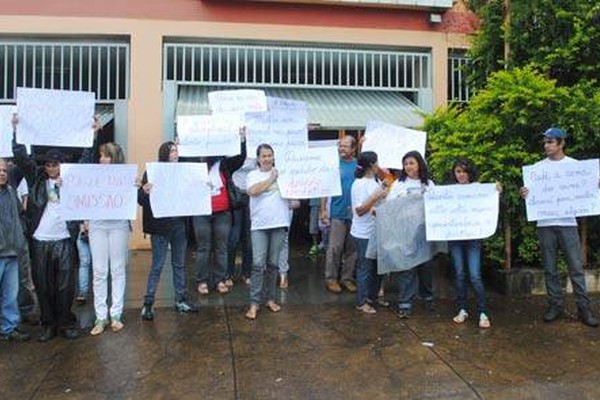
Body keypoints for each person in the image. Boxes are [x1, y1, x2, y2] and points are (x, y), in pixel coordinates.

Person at [12, 117, 98, 341]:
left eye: (56, 164)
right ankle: (48, 324)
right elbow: (21, 158)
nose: (51, 168)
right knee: (43, 285)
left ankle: (66, 322)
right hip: (40, 239)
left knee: (64, 286)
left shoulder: (72, 178)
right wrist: (16, 130)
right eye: (49, 164)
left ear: (62, 164)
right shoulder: (36, 178)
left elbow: (87, 159)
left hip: (63, 239)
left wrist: (93, 133)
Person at [520, 127, 598, 327]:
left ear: (561, 143)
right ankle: (555, 305)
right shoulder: (537, 169)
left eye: (551, 142)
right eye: (545, 142)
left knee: (576, 268)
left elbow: (588, 189)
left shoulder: (575, 166)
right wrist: (526, 193)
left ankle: (584, 308)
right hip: (545, 223)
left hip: (567, 224)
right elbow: (531, 194)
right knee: (550, 268)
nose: (546, 145)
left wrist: (594, 185)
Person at [139, 141, 197, 321]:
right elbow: (141, 200)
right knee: (157, 265)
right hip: (160, 227)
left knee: (179, 264)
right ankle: (148, 304)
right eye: (172, 150)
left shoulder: (183, 172)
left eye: (176, 150)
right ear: (164, 153)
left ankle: (180, 300)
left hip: (179, 225)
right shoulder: (152, 172)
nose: (175, 153)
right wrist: (144, 191)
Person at [194, 132, 246, 296]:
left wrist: (242, 141)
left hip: (222, 212)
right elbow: (180, 163)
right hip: (201, 212)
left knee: (221, 248)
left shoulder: (224, 164)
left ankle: (219, 279)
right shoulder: (195, 164)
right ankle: (202, 280)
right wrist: (181, 145)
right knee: (204, 248)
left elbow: (240, 159)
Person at [89, 143, 132, 335]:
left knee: (117, 268)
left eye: (106, 156)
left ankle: (116, 314)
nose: (102, 160)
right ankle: (100, 316)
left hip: (118, 225)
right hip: (97, 225)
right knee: (99, 271)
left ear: (115, 158)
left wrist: (138, 186)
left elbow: (134, 197)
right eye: (100, 156)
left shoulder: (125, 176)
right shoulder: (92, 176)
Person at [245, 144, 290, 320]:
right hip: (259, 226)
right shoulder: (252, 175)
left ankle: (270, 299)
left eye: (270, 155)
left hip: (279, 223)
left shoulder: (283, 173)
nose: (267, 159)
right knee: (257, 263)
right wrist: (271, 179)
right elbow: (253, 191)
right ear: (258, 159)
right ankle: (254, 303)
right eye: (263, 156)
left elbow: (292, 197)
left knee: (273, 264)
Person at [388, 151, 435, 319]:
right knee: (407, 266)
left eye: (411, 163)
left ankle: (427, 296)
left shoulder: (429, 184)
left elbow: (435, 205)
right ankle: (405, 303)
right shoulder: (398, 184)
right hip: (404, 232)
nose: (408, 166)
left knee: (426, 266)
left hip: (424, 232)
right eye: (406, 163)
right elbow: (390, 206)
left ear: (419, 164)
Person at [447, 158, 492, 329]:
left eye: (464, 171)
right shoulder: (450, 190)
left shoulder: (479, 188)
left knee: (474, 274)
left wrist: (496, 191)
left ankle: (483, 311)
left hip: (473, 237)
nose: (461, 175)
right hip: (455, 238)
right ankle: (462, 308)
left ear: (470, 172)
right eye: (458, 171)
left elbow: (490, 201)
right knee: (459, 274)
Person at [350, 152, 387, 314]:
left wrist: (383, 188)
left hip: (377, 230)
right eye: (377, 162)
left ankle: (372, 297)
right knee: (365, 267)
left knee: (378, 267)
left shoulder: (377, 181)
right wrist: (376, 195)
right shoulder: (359, 184)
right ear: (372, 165)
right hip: (363, 232)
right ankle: (361, 301)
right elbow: (359, 210)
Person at [323, 135, 358, 294]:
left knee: (352, 249)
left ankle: (347, 278)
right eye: (340, 145)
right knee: (335, 248)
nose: (341, 149)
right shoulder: (333, 164)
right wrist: (323, 210)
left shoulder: (359, 166)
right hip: (337, 212)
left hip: (356, 213)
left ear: (353, 149)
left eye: (345, 146)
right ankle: (331, 279)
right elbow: (325, 188)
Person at [0, 158, 30, 342]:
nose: (2, 173)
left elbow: (20, 215)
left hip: (12, 253)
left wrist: (20, 240)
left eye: (4, 170)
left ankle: (8, 329)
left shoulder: (11, 192)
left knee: (10, 296)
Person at [75, 222, 92, 305]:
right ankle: (83, 292)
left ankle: (83, 292)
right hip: (84, 233)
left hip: (84, 232)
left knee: (84, 264)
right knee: (84, 263)